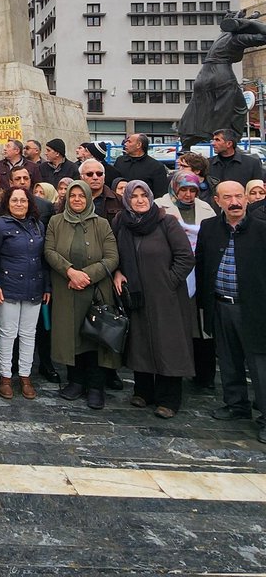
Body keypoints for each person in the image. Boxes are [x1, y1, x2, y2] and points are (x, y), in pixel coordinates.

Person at [112, 181, 195, 417]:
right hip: (137, 297)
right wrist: (118, 271)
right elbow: (115, 254)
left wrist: (169, 281)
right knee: (140, 342)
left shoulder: (165, 222)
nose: (139, 200)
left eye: (144, 195)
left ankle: (169, 399)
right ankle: (143, 391)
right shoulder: (122, 223)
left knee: (168, 344)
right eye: (134, 196)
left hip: (166, 297)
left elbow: (185, 257)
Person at [195, 180, 266, 442]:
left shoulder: (262, 230)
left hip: (255, 309)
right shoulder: (209, 228)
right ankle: (236, 405)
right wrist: (204, 304)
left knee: (260, 366)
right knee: (228, 360)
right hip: (221, 305)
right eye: (228, 197)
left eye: (239, 196)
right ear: (217, 201)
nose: (234, 202)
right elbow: (201, 265)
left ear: (247, 199)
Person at [44, 179, 120, 409]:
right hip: (67, 289)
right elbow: (49, 250)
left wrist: (85, 275)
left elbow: (112, 257)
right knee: (71, 335)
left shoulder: (102, 224)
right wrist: (70, 272)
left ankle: (96, 386)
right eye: (73, 195)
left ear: (89, 198)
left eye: (82, 196)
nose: (77, 199)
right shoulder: (56, 222)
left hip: (95, 290)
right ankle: (75, 381)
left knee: (94, 337)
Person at [155, 170, 217, 390]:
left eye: (193, 190)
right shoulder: (160, 206)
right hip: (172, 272)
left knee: (201, 327)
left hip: (200, 273)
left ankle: (204, 375)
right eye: (184, 190)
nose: (189, 195)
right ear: (175, 188)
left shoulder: (206, 209)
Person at [0, 185, 50, 400]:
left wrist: (47, 287)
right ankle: (5, 376)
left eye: (23, 200)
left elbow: (44, 259)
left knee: (28, 334)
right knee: (7, 333)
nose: (19, 204)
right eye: (14, 200)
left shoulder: (38, 225)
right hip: (8, 287)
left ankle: (25, 376)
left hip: (34, 287)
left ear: (29, 203)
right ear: (7, 203)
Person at [178, 11, 266, 147]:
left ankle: (186, 143)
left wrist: (243, 23)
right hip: (221, 75)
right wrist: (251, 23)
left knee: (198, 108)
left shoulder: (223, 36)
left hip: (203, 75)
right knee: (236, 109)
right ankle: (227, 143)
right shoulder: (236, 39)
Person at [208, 128, 263, 196]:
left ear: (229, 144)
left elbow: (259, 188)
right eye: (213, 140)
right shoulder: (207, 164)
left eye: (217, 140)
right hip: (214, 205)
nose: (213, 143)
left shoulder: (252, 164)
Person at [113, 133, 169, 197]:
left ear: (139, 145)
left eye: (129, 142)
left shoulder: (156, 167)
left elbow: (160, 194)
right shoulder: (119, 161)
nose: (125, 144)